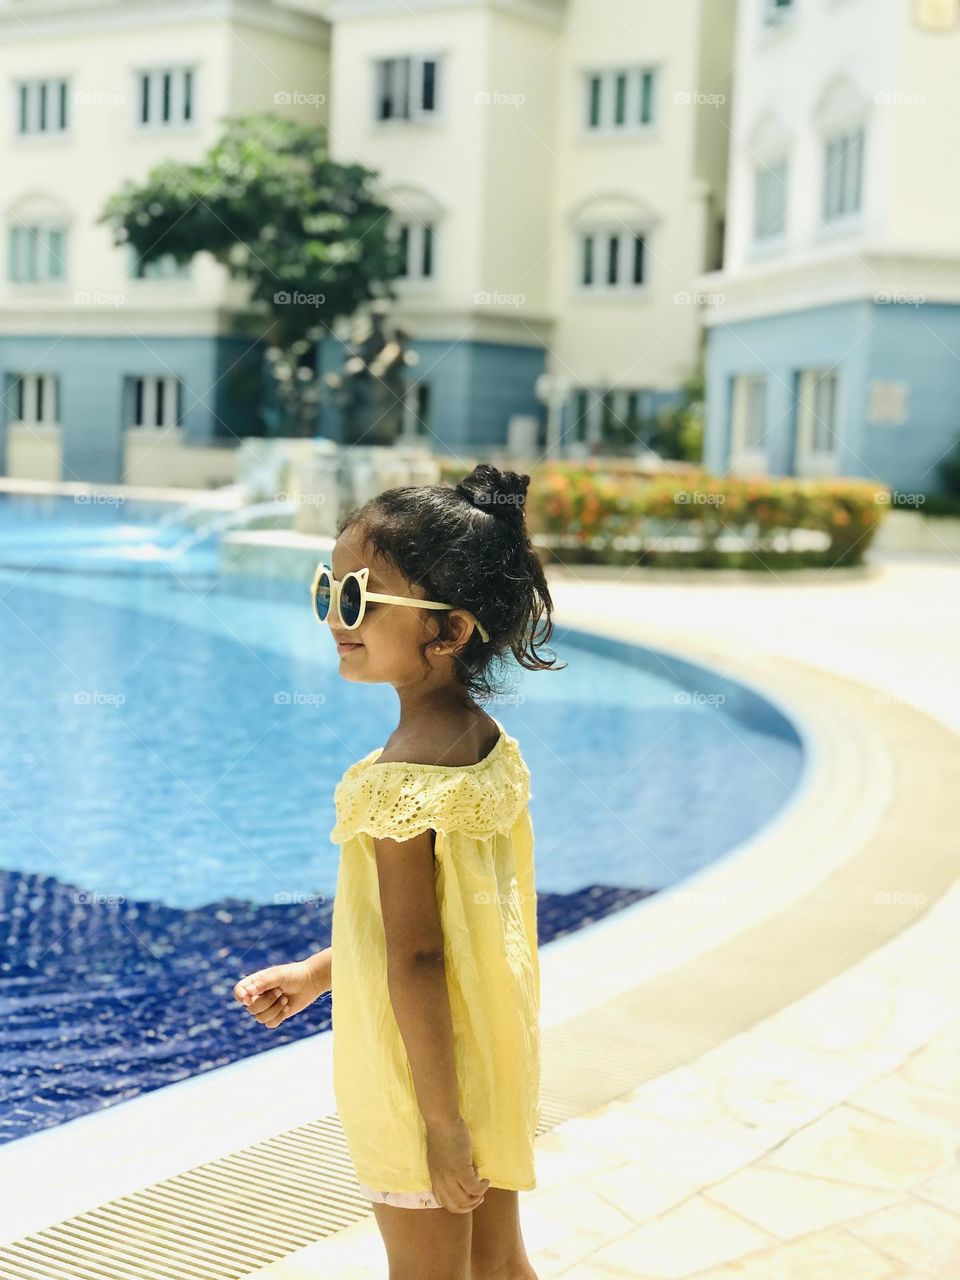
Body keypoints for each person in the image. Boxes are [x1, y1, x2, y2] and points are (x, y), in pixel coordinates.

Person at [233, 463, 566, 1280]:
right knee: (498, 1267)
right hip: (487, 1052)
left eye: (357, 600)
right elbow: (438, 920)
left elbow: (417, 957)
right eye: (329, 590)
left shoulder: (398, 782)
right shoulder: (487, 745)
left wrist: (440, 1125)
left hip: (420, 1082)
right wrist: (317, 972)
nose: (334, 619)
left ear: (449, 631)